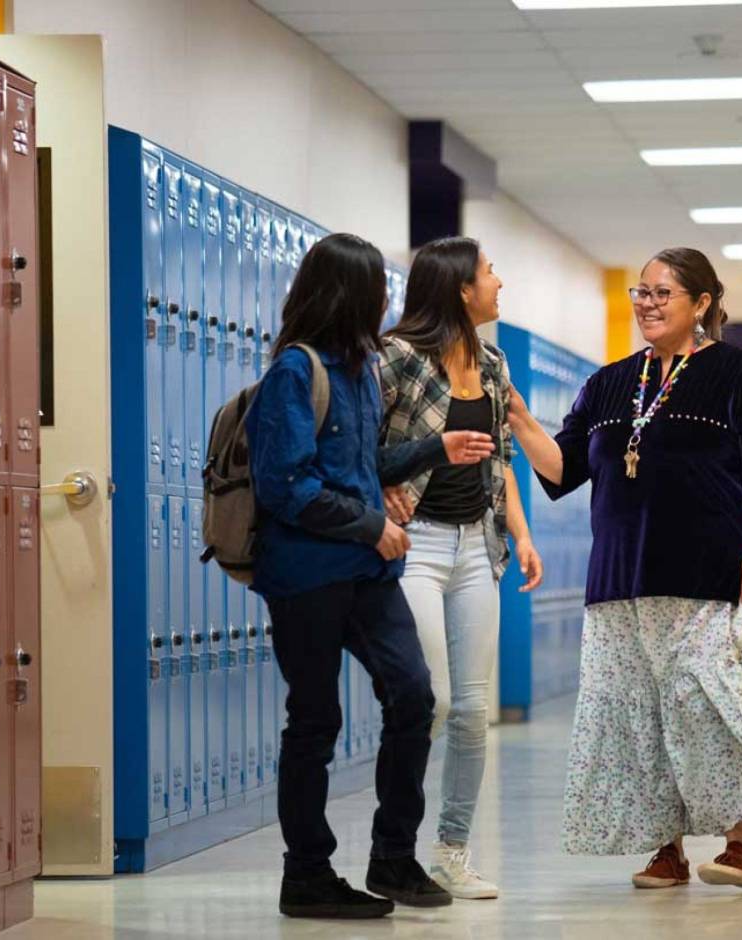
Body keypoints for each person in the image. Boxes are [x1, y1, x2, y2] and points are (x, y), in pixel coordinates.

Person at [505, 247, 742, 890]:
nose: (647, 303)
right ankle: (665, 849)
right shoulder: (610, 382)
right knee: (637, 713)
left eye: (663, 293)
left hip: (708, 571)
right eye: (641, 292)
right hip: (620, 579)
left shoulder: (737, 373)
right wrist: (522, 419)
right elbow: (563, 468)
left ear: (701, 304)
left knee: (710, 703)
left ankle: (740, 845)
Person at [247, 233, 498, 919]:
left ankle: (393, 857)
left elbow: (364, 472)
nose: (388, 299)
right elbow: (286, 487)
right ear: (348, 293)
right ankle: (307, 875)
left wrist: (432, 449)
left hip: (367, 570)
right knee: (315, 720)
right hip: (307, 576)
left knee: (414, 697)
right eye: (378, 288)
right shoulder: (295, 374)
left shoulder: (358, 370)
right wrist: (370, 525)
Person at [377, 237, 544, 900]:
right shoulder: (397, 359)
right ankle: (394, 848)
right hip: (415, 542)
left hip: (478, 542)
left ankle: (450, 851)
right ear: (459, 289)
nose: (498, 282)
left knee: (474, 711)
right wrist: (377, 500)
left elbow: (501, 458)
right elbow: (359, 442)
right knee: (432, 700)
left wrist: (522, 536)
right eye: (489, 272)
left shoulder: (494, 364)